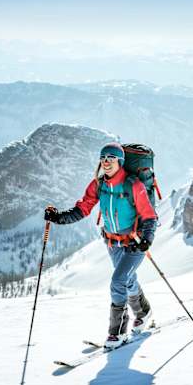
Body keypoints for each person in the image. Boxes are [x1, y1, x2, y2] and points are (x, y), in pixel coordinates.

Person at [43, 142, 158, 348]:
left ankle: (117, 332)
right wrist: (58, 218)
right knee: (127, 280)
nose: (106, 162)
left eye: (111, 158)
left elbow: (149, 216)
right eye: (103, 158)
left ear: (120, 162)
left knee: (118, 281)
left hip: (134, 242)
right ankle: (143, 313)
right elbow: (82, 209)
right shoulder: (99, 185)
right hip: (112, 241)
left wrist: (147, 239)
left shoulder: (133, 185)